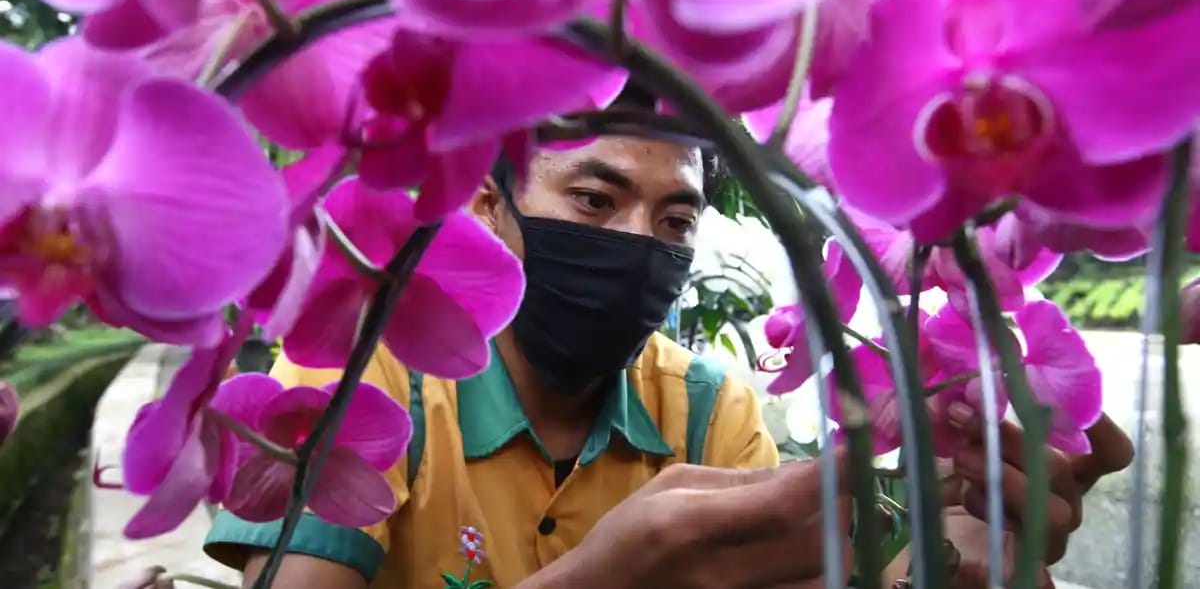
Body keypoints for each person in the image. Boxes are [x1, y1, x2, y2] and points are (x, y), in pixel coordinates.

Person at [203, 93, 1133, 589]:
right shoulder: (370, 378)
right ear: (488, 205)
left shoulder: (704, 405)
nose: (642, 244)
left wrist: (958, 549)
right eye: (594, 201)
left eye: (677, 220)